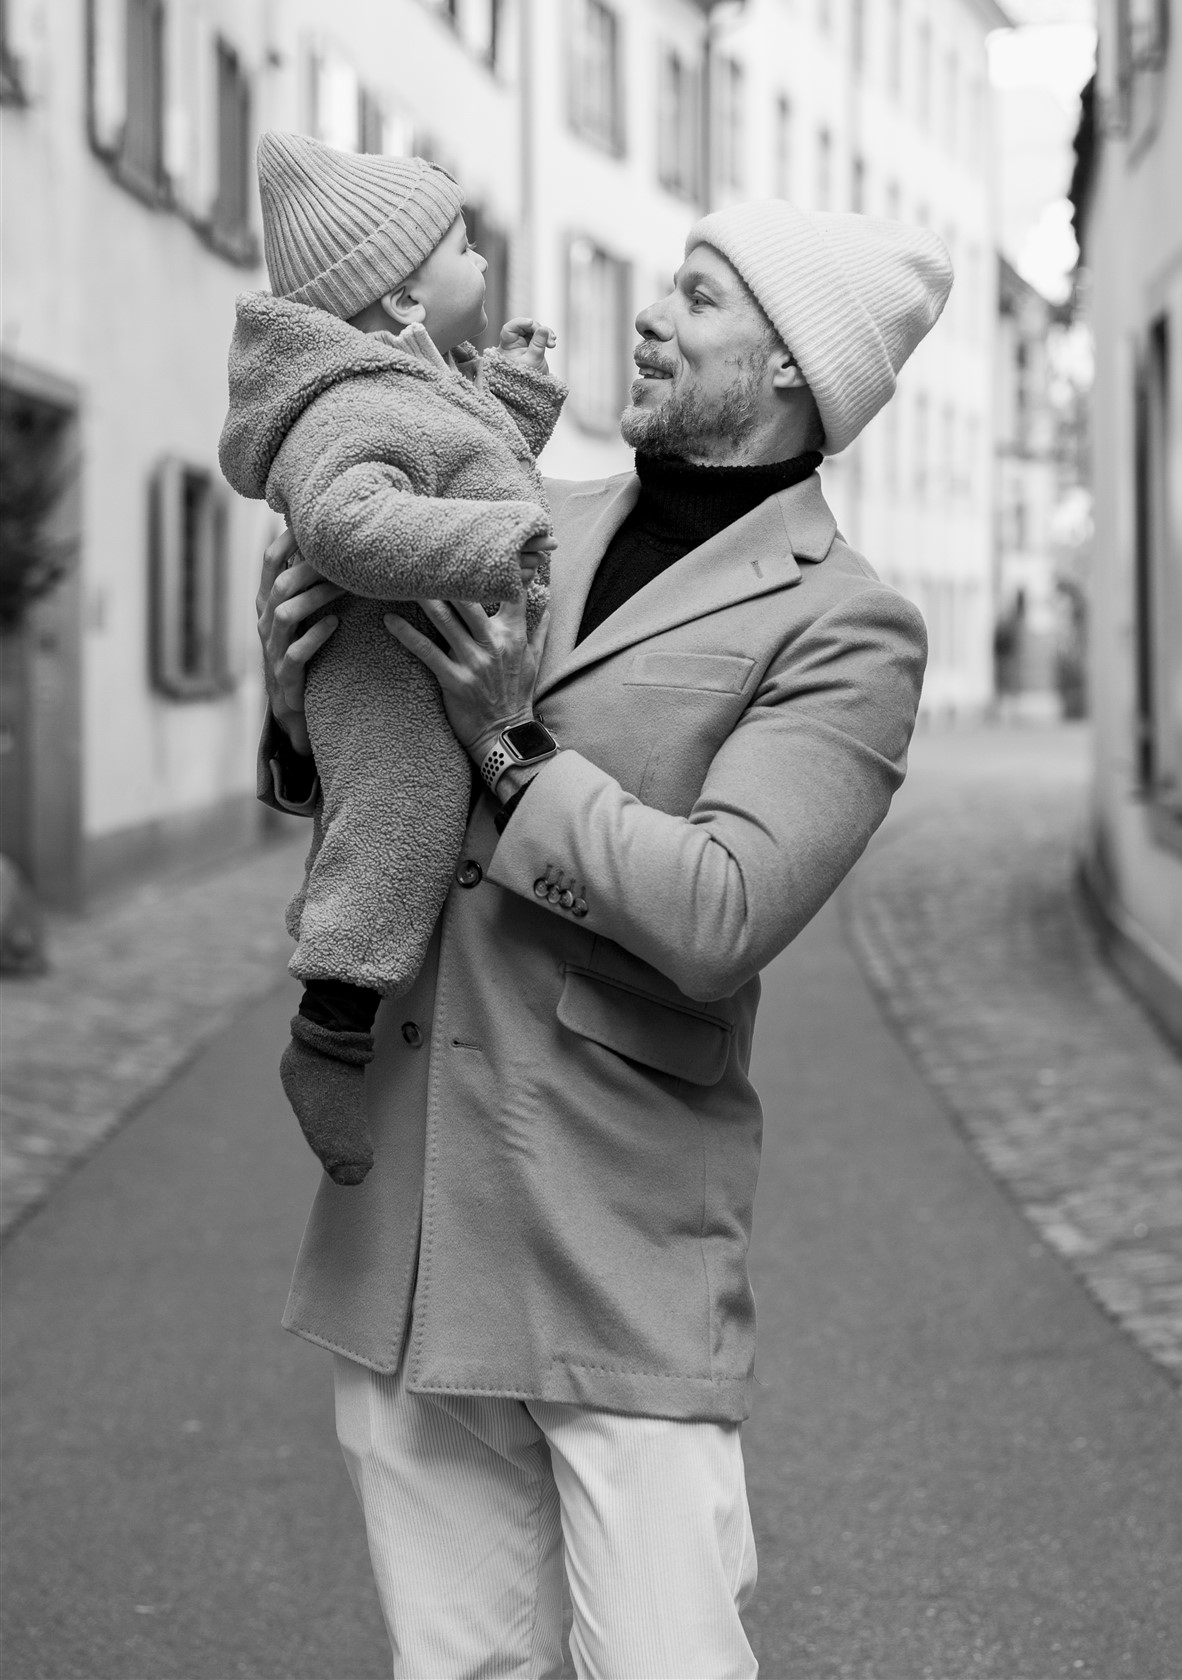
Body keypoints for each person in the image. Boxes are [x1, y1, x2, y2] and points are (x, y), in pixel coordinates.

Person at [257, 199, 951, 1679]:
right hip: (415, 1215)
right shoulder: (510, 507)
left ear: (784, 370)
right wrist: (293, 701)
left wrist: (510, 744)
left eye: (698, 298)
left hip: (616, 1229)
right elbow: (375, 798)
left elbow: (720, 913)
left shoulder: (846, 628)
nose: (651, 311)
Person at [221, 130, 565, 1188]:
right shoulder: (351, 407)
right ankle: (326, 1035)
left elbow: (464, 458)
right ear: (405, 304)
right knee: (395, 833)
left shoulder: (414, 387)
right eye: (465, 248)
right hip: (388, 680)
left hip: (415, 662)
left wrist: (516, 393)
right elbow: (341, 519)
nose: (485, 263)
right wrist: (496, 541)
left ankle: (334, 1021)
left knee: (387, 834)